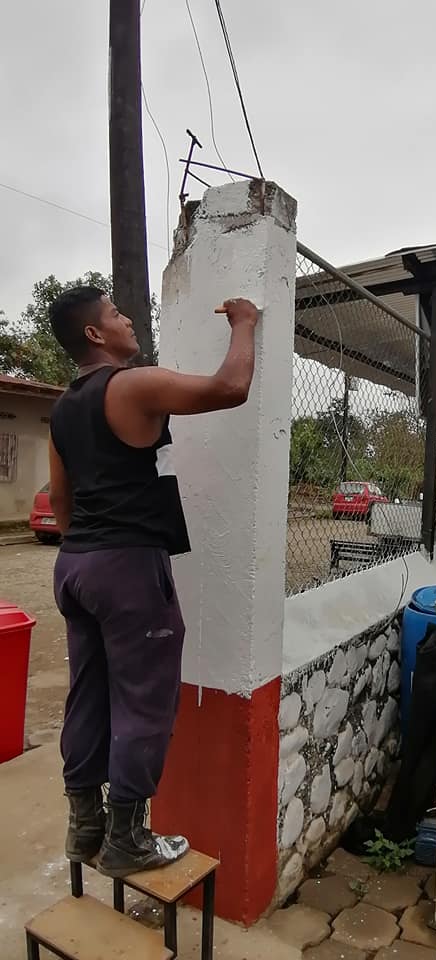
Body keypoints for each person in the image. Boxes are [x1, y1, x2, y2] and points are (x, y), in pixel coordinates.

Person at [48, 287, 258, 878]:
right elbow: (230, 388)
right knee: (144, 699)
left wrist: (89, 547)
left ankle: (84, 827)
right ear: (95, 335)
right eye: (116, 314)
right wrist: (244, 323)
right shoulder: (133, 385)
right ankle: (127, 841)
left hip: (76, 564)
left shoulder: (64, 408)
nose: (128, 320)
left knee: (88, 694)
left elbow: (60, 500)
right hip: (127, 566)